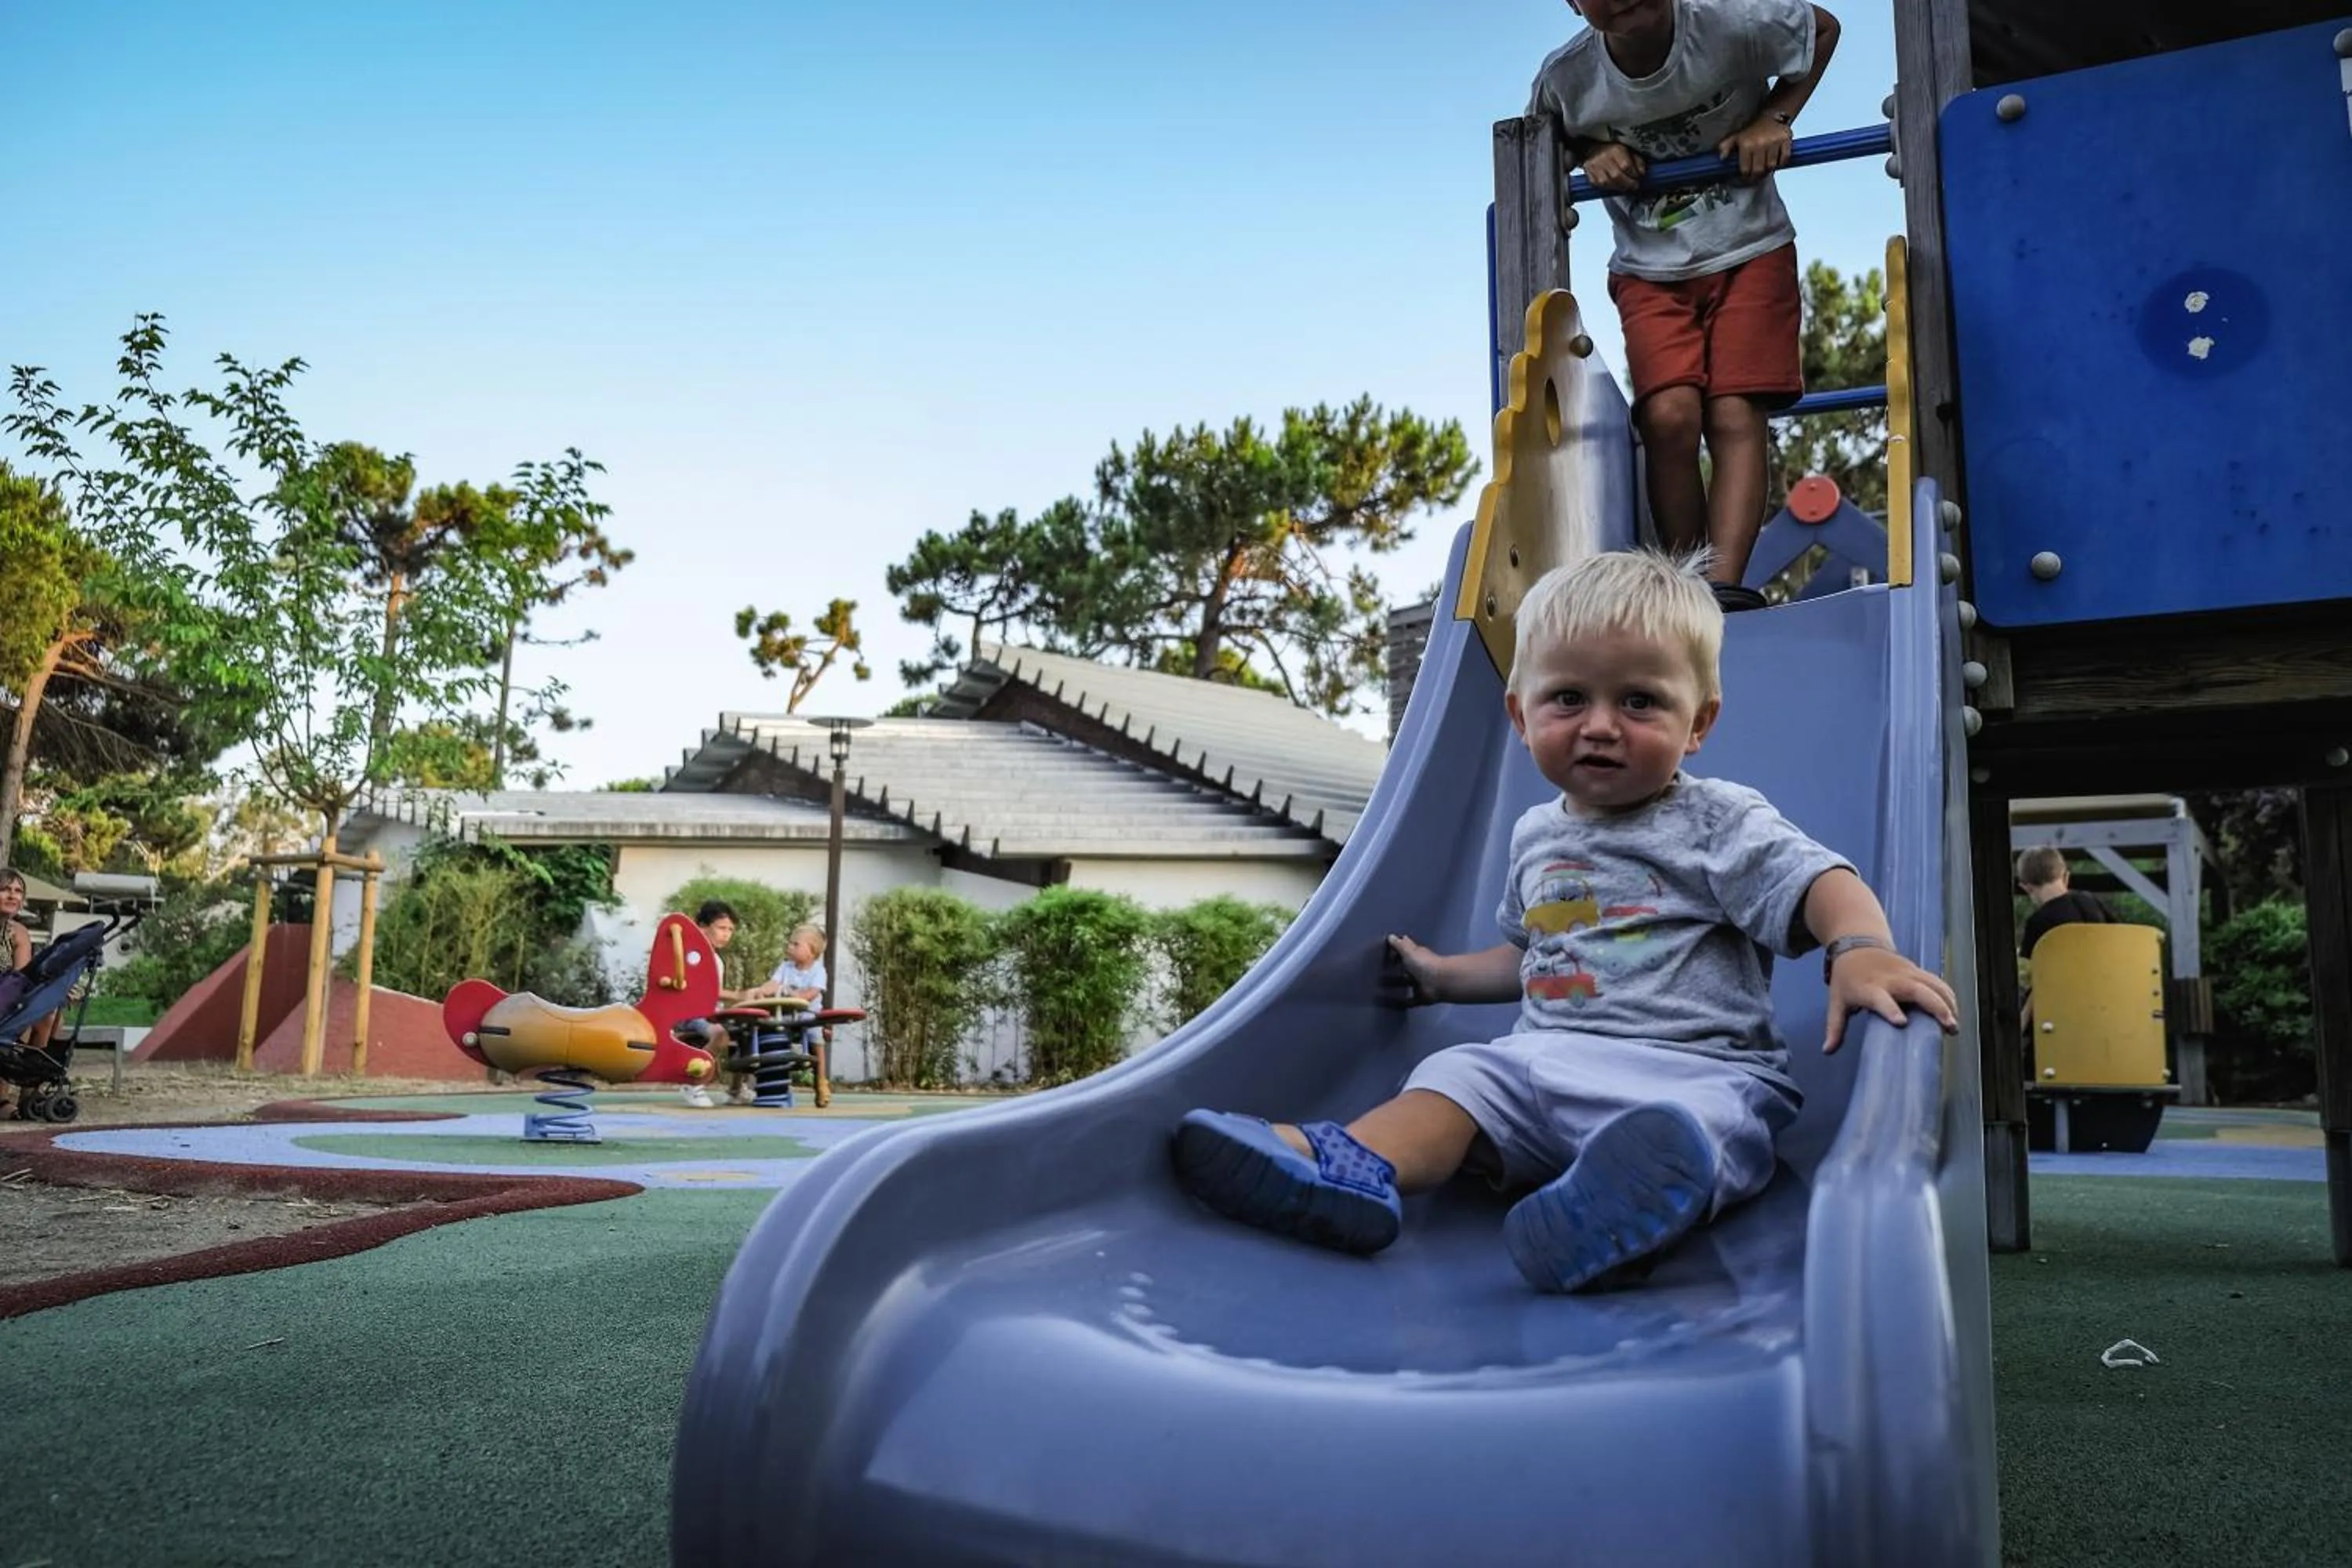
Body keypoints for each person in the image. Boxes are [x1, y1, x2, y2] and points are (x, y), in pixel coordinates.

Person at [1170, 549, 1956, 1293]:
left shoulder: (1718, 819)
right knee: (1458, 1075)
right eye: (1569, 698)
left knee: (1710, 1124)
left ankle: (1615, 1208)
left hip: (1689, 1067)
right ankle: (1351, 1166)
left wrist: (1860, 947)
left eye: (1640, 701)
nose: (1602, 724)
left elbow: (1819, 878)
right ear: (1520, 713)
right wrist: (1444, 976)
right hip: (1545, 1063)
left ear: (1700, 722)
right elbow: (1538, 952)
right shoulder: (1535, 834)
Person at [1527, 0, 1843, 610]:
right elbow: (1542, 143)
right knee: (1669, 418)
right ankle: (1683, 591)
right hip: (1651, 271)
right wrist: (1592, 147)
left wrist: (1775, 115)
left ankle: (1722, 590)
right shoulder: (1568, 77)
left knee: (1732, 415)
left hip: (1750, 249)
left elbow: (1822, 28)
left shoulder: (1730, 24)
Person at [2014, 845, 2114, 1032]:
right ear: (2065, 876)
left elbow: (2032, 977)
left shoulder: (2038, 921)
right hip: (2106, 1003)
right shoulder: (2092, 902)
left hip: (2063, 1015)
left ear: (2026, 887)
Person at [735, 924, 829, 1105]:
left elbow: (811, 994)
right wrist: (761, 991)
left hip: (806, 1014)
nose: (789, 947)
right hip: (785, 1014)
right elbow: (773, 984)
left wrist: (793, 993)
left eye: (796, 945)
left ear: (812, 951)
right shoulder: (785, 967)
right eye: (789, 943)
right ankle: (767, 1075)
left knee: (815, 1037)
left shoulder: (818, 971)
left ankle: (821, 1080)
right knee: (768, 1029)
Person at [681, 898, 750, 1109]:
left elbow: (713, 996)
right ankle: (693, 1082)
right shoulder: (693, 954)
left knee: (745, 1031)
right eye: (721, 928)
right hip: (689, 1013)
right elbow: (702, 991)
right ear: (702, 926)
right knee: (721, 1033)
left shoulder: (716, 959)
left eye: (730, 929)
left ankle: (736, 1090)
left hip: (709, 1012)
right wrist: (739, 996)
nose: (726, 934)